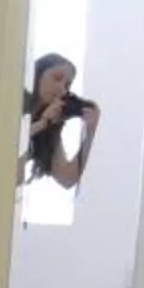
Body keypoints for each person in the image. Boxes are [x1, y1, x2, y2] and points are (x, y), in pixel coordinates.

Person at [23, 52, 100, 189]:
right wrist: (41, 123)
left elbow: (67, 179)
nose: (61, 89)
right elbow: (8, 140)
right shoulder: (15, 102)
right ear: (38, 73)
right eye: (57, 78)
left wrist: (90, 132)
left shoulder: (49, 126)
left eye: (67, 85)